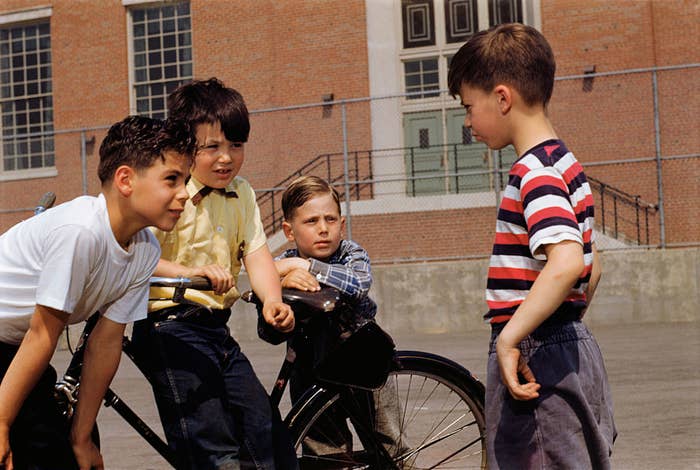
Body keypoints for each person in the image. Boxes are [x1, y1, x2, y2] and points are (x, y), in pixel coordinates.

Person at [448, 23, 616, 469]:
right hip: (566, 341)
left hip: (535, 353)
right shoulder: (565, 164)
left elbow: (564, 263)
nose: (468, 122)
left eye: (468, 107)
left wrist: (512, 339)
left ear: (502, 98)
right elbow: (590, 264)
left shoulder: (534, 173)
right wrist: (568, 327)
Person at [0, 115, 195, 470]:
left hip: (16, 347)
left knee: (61, 453)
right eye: (172, 179)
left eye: (186, 181)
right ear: (125, 180)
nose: (185, 193)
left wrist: (82, 437)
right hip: (21, 343)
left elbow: (106, 341)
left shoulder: (145, 249)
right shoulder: (81, 231)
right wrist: (0, 424)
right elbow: (43, 333)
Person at [130, 78, 297, 470]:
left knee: (267, 435)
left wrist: (273, 301)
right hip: (166, 327)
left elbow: (256, 255)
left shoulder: (243, 193)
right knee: (211, 444)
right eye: (212, 148)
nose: (226, 158)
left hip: (215, 329)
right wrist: (189, 273)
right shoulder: (170, 191)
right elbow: (136, 255)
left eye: (235, 146)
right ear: (185, 147)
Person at [274, 175, 399, 457]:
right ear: (289, 230)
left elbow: (357, 284)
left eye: (330, 220)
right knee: (325, 453)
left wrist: (305, 266)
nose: (323, 229)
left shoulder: (351, 254)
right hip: (310, 366)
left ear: (341, 225)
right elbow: (264, 299)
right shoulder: (283, 265)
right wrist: (281, 281)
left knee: (389, 445)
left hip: (363, 358)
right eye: (311, 221)